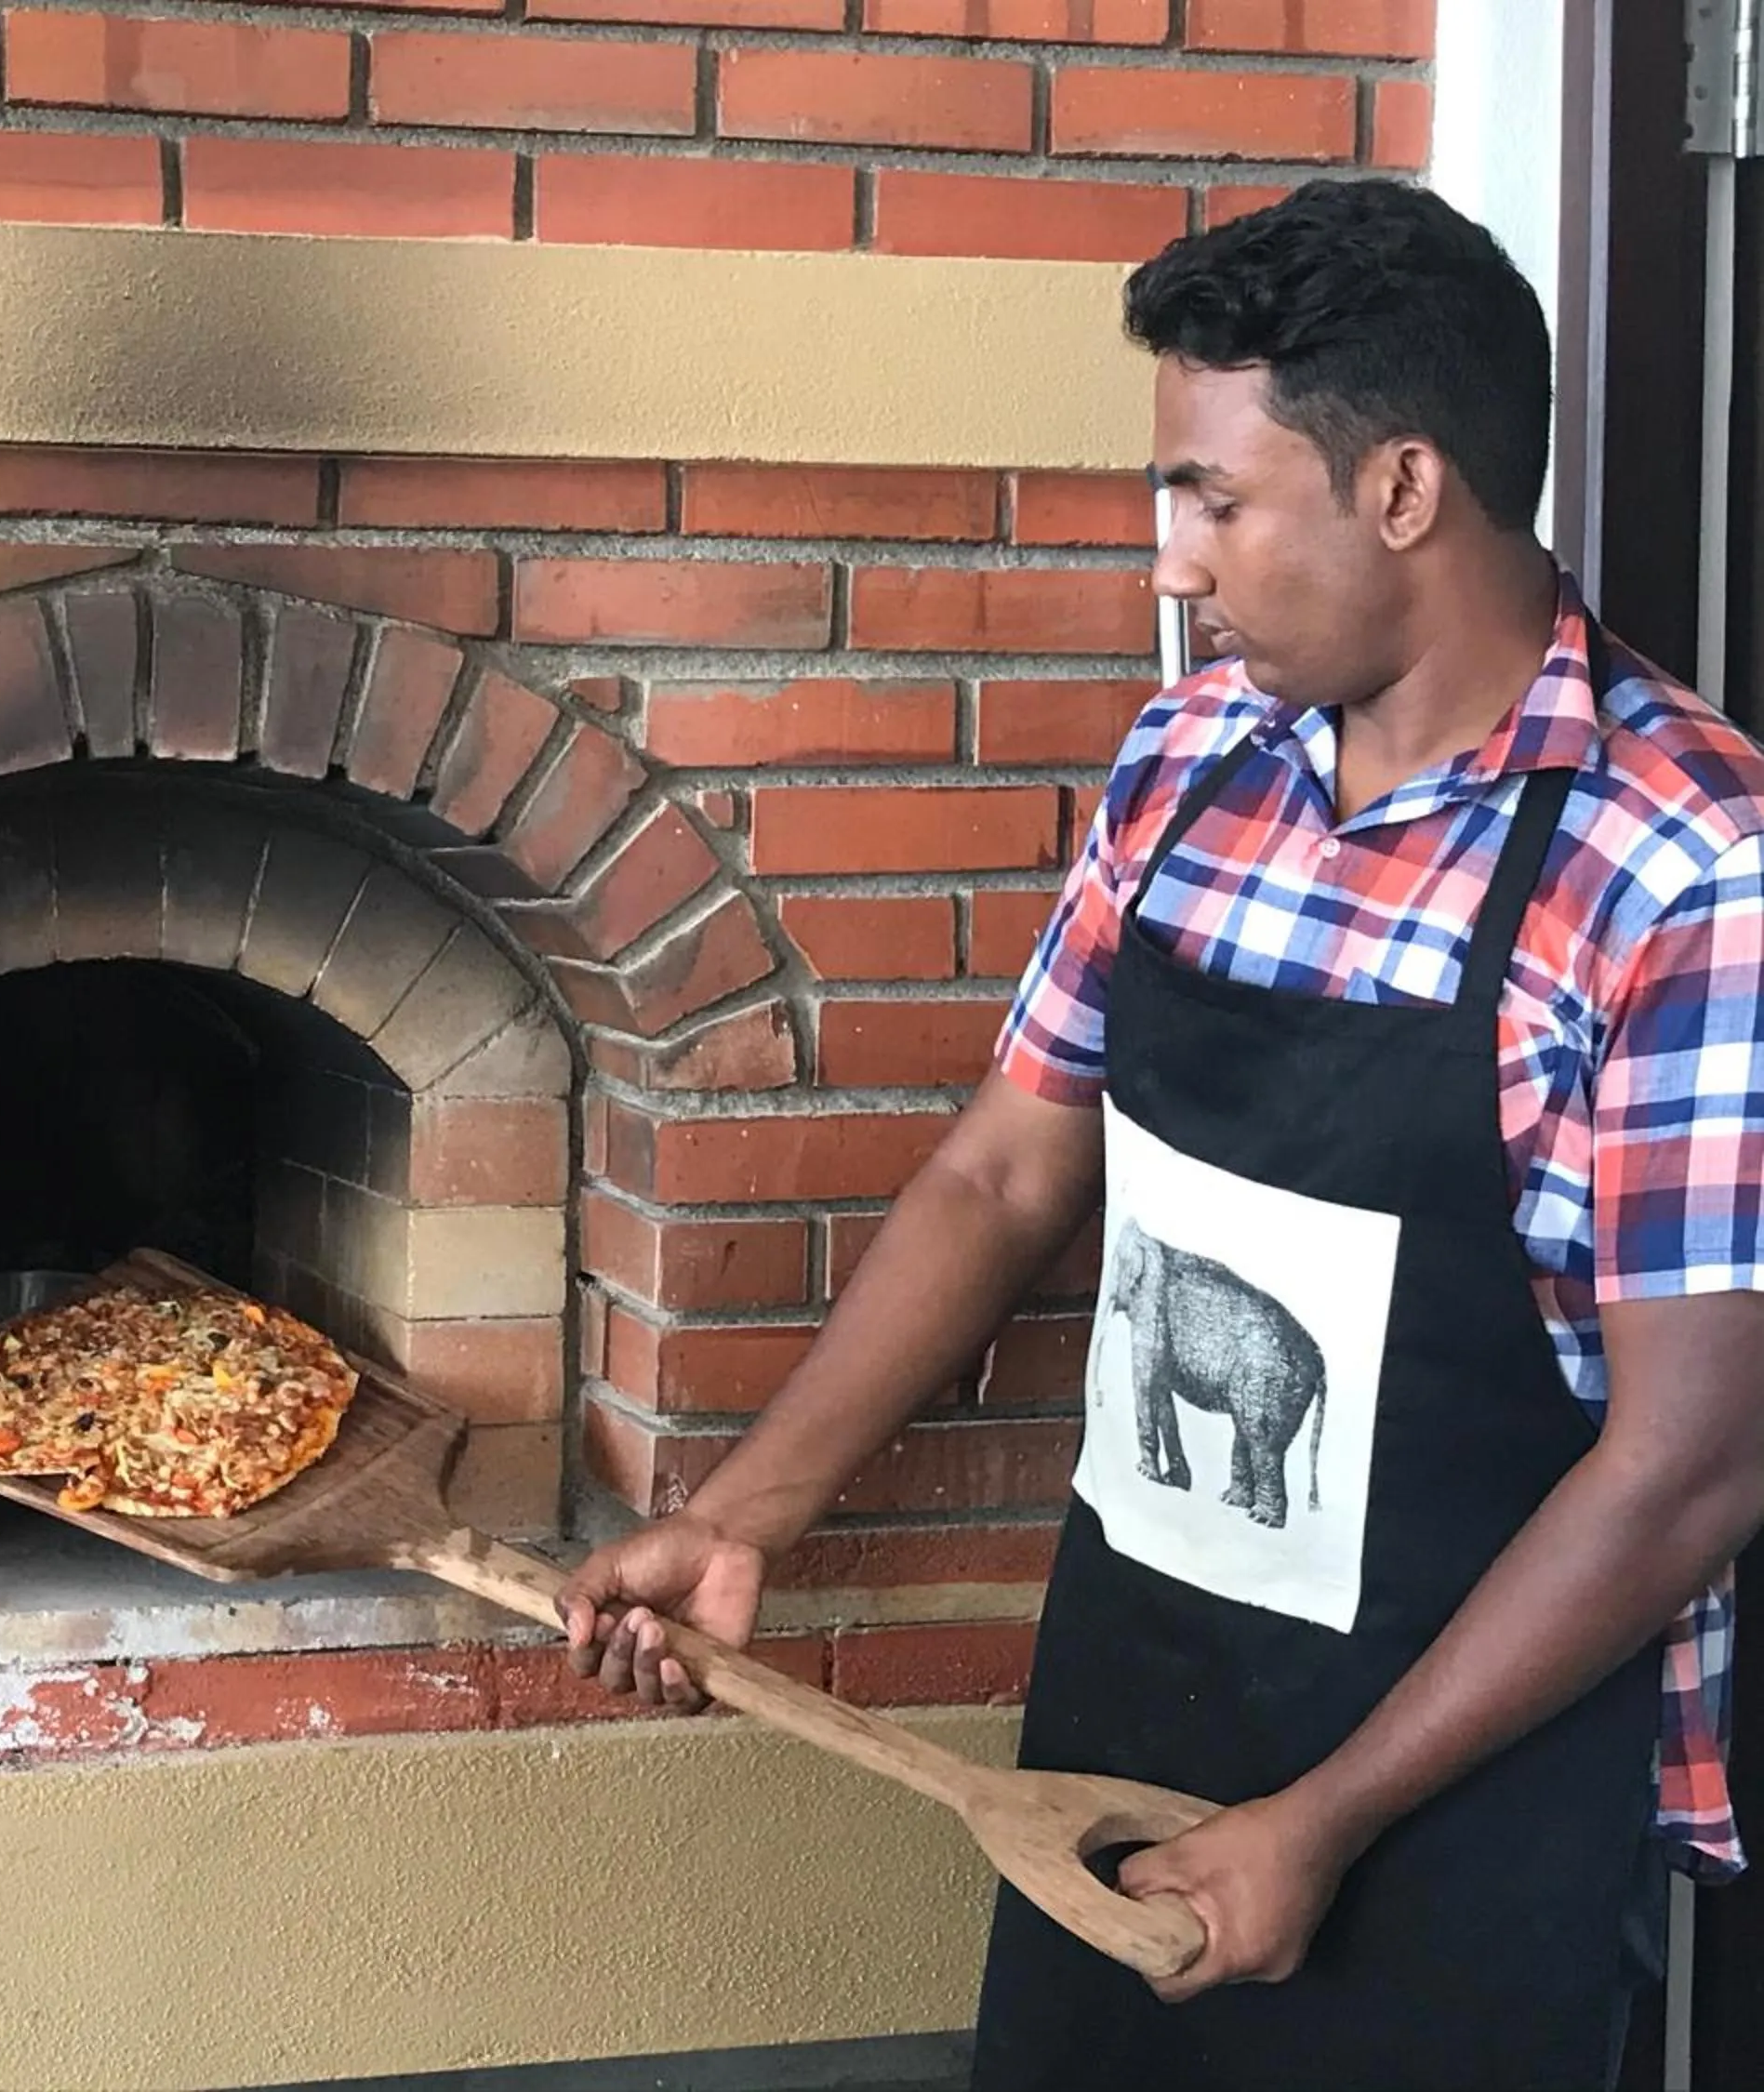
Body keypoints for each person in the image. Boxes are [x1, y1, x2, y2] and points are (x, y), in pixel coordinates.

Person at [558, 179, 1764, 2091]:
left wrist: (1330, 1819)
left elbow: (1689, 1467)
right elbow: (1006, 1166)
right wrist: (738, 1515)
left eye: (1215, 497)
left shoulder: (1685, 865)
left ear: (1402, 489)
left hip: (1458, 1806)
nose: (1177, 562)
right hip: (1133, 1712)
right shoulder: (1191, 762)